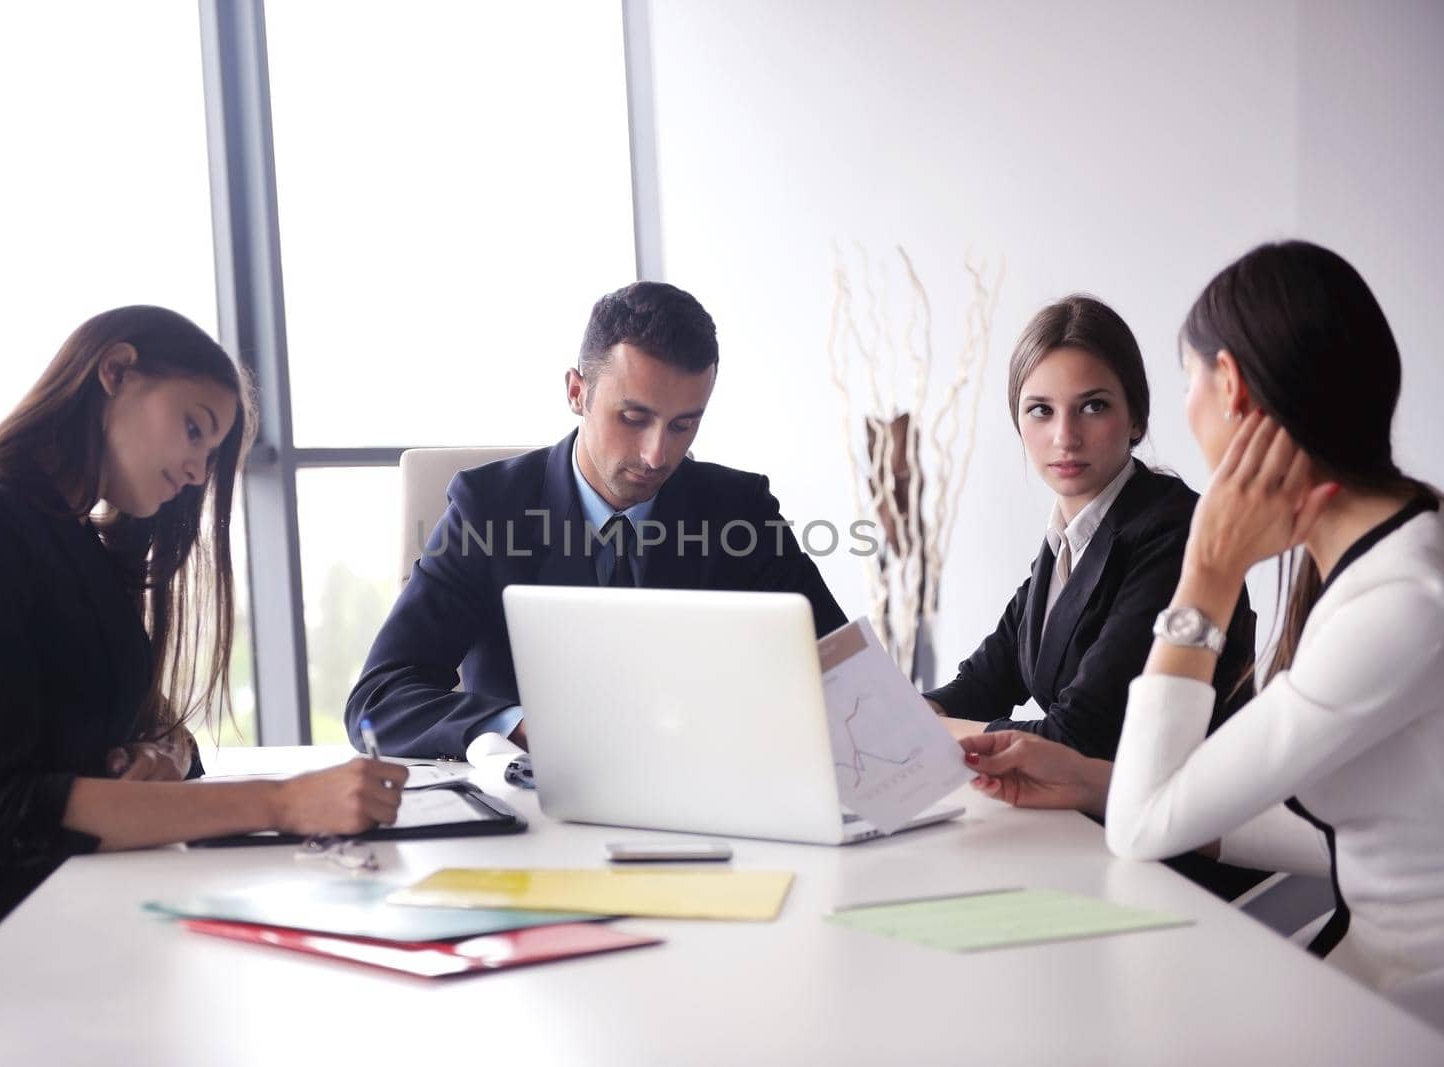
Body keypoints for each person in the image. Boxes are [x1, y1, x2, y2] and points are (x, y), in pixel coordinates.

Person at [962, 241, 1444, 1004]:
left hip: (1396, 1011)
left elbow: (1144, 826)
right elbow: (1348, 832)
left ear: (1231, 389)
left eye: (1189, 382)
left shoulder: (1401, 601)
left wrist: (1209, 575)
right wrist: (1093, 782)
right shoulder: (1392, 558)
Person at [0, 306, 409, 957]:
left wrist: (164, 753)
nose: (195, 471)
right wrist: (284, 803)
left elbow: (147, 734)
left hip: (75, 917)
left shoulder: (86, 549)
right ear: (116, 371)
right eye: (193, 429)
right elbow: (4, 810)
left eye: (209, 455)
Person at [347, 281, 847, 758]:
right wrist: (516, 726)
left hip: (713, 800)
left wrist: (925, 707)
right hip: (538, 812)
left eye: (683, 425)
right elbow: (380, 700)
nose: (657, 455)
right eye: (633, 418)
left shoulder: (741, 510)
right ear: (576, 392)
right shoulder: (488, 508)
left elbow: (843, 674)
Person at [924, 295, 1255, 761]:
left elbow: (1081, 736)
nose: (1065, 437)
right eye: (1041, 410)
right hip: (1084, 816)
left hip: (1175, 823)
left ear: (1136, 417)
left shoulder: (1174, 532)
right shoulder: (1067, 540)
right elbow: (984, 682)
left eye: (1093, 406)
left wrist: (929, 731)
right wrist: (911, 712)